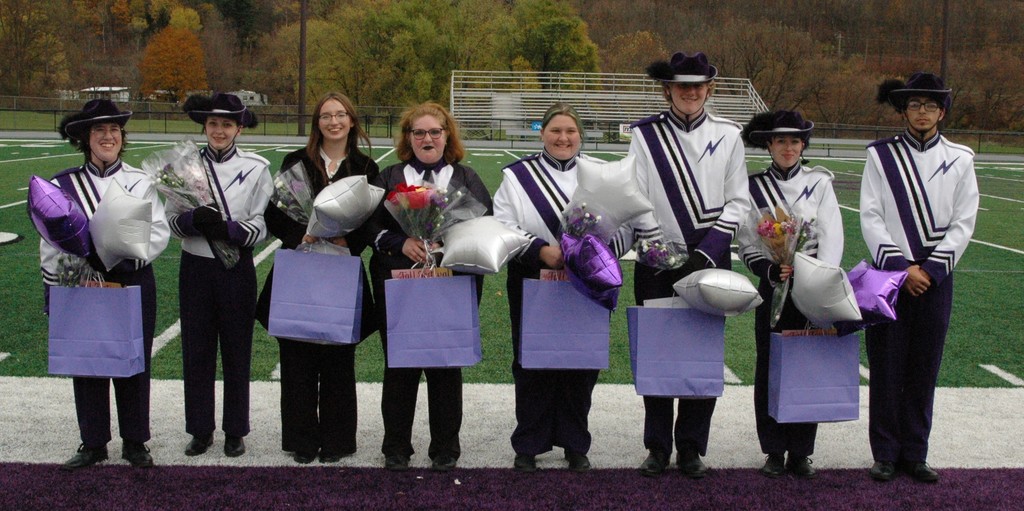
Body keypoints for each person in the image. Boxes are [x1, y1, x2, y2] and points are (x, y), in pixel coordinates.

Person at [626, 51, 749, 478]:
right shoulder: (645, 135)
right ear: (668, 90)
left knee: (702, 350)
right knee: (658, 349)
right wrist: (662, 250)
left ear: (709, 89)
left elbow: (738, 201)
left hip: (709, 256)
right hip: (656, 258)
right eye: (682, 86)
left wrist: (704, 252)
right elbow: (636, 194)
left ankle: (692, 447)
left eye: (698, 85)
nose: (691, 92)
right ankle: (657, 446)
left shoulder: (729, 134)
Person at [861, 73, 978, 483]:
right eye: (915, 105)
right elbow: (870, 216)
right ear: (904, 111)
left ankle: (915, 452)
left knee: (924, 367)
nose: (922, 112)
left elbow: (964, 222)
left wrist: (930, 270)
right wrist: (901, 268)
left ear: (942, 112)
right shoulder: (880, 156)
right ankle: (885, 453)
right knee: (886, 366)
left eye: (930, 105)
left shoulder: (961, 159)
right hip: (890, 277)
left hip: (936, 278)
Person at [42, 99, 170, 470]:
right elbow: (49, 242)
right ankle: (93, 441)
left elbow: (158, 232)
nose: (108, 136)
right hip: (82, 282)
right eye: (99, 130)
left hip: (132, 277)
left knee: (134, 359)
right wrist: (55, 289)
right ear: (86, 138)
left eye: (114, 129)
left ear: (122, 137)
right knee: (88, 360)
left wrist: (122, 257)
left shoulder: (140, 181)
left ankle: (135, 440)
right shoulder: (63, 183)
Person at [367, 102, 492, 472]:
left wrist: (445, 245)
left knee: (446, 365)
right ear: (408, 138)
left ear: (446, 135)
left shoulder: (465, 178)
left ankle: (445, 448)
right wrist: (399, 242)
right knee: (400, 364)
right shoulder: (390, 175)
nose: (427, 138)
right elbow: (368, 225)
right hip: (398, 280)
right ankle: (396, 447)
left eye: (435, 131)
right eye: (418, 132)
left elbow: (484, 223)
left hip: (450, 281)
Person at [255, 92, 379, 464]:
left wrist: (348, 239)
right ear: (317, 123)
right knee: (297, 355)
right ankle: (302, 440)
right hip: (300, 265)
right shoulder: (296, 161)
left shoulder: (365, 166)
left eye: (341, 115)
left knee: (339, 357)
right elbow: (273, 211)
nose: (334, 122)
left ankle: (337, 441)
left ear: (352, 121)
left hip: (341, 268)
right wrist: (302, 235)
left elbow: (374, 220)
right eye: (326, 115)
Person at [493, 103, 602, 473]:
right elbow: (503, 224)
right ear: (542, 133)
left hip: (587, 279)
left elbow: (622, 224)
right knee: (531, 360)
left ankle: (575, 442)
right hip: (531, 274)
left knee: (580, 360)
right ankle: (529, 442)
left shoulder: (599, 174)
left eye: (570, 131)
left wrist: (591, 254)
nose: (563, 138)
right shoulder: (516, 176)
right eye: (555, 130)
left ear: (580, 136)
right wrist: (541, 250)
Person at [738, 110, 844, 479]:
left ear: (803, 145)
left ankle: (801, 450)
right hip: (773, 288)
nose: (788, 147)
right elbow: (746, 242)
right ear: (768, 144)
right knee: (770, 365)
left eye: (795, 141)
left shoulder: (820, 182)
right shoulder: (752, 187)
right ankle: (773, 449)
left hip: (810, 288)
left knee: (806, 365)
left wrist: (817, 278)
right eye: (780, 140)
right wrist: (769, 270)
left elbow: (832, 236)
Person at [171, 92, 273, 458]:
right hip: (195, 266)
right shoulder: (184, 166)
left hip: (236, 268)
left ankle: (235, 430)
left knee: (236, 349)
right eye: (213, 123)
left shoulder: (257, 167)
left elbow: (262, 225)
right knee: (196, 350)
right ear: (204, 126)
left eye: (227, 124)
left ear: (239, 129)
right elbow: (171, 222)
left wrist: (228, 230)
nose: (219, 130)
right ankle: (200, 430)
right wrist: (191, 220)